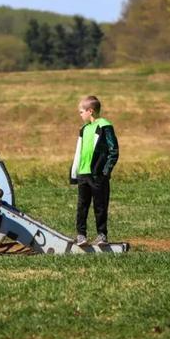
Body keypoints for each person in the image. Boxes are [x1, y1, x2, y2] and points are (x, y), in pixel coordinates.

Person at [69, 95, 119, 246]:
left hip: (98, 175)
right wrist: (75, 171)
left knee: (100, 206)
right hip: (83, 174)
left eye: (81, 112)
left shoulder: (105, 126)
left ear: (90, 111)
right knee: (82, 206)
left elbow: (114, 151)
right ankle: (81, 236)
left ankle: (102, 235)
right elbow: (79, 152)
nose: (80, 115)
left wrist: (105, 172)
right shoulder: (83, 129)